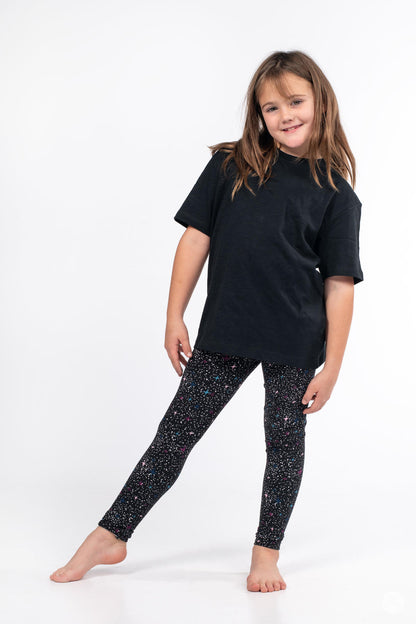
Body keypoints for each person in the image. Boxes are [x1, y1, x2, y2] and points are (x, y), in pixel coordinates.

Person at [50, 49, 364, 592]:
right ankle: (111, 534)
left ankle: (265, 554)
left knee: (283, 448)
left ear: (320, 102)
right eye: (271, 107)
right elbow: (196, 238)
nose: (284, 115)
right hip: (227, 330)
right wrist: (174, 314)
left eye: (295, 102)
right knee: (174, 436)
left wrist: (332, 365)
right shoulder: (231, 166)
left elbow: (339, 284)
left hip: (294, 338)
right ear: (258, 114)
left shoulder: (337, 194)